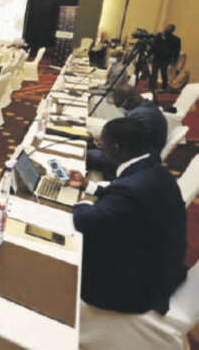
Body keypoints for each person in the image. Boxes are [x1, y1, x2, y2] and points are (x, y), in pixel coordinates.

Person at [67, 117, 186, 350]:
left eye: (102, 145)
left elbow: (84, 219)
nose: (101, 150)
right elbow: (119, 193)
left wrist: (78, 203)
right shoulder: (152, 168)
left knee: (69, 256)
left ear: (115, 148)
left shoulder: (132, 188)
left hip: (138, 286)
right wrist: (87, 187)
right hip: (158, 262)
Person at [87, 85, 167, 179]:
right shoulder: (146, 106)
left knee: (88, 155)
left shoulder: (140, 116)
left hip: (133, 161)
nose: (119, 108)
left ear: (127, 101)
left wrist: (103, 143)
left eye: (119, 105)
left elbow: (127, 148)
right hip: (139, 154)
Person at [151, 24, 181, 92]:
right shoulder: (159, 35)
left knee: (163, 73)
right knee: (154, 73)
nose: (167, 29)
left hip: (166, 59)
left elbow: (177, 51)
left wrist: (174, 61)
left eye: (169, 29)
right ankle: (152, 86)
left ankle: (164, 87)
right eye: (167, 28)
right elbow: (154, 45)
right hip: (157, 57)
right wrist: (149, 54)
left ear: (172, 31)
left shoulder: (176, 39)